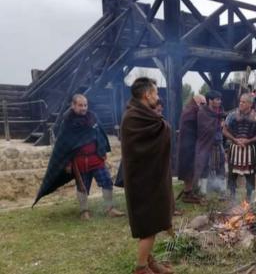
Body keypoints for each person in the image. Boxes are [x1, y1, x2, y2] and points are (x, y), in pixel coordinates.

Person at [33, 94, 124, 220]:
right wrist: (67, 163)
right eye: (80, 105)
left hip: (95, 159)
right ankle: (84, 212)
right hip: (79, 161)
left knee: (107, 182)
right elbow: (64, 145)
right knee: (82, 187)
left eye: (85, 105)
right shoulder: (67, 122)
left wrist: (102, 152)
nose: (83, 108)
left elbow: (100, 135)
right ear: (73, 105)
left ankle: (110, 208)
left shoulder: (92, 117)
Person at [121, 77, 175, 274]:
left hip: (150, 178)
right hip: (141, 181)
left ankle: (149, 261)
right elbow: (161, 131)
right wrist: (164, 127)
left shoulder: (142, 114)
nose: (158, 97)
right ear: (147, 95)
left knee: (153, 222)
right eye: (156, 93)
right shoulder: (134, 118)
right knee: (148, 227)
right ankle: (141, 267)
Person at [223, 93, 256, 201]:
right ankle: (232, 198)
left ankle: (248, 198)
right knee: (232, 174)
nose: (240, 103)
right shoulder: (231, 115)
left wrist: (249, 141)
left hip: (249, 150)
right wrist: (234, 140)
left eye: (243, 102)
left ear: (250, 104)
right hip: (234, 148)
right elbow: (224, 130)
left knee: (250, 174)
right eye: (240, 101)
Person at [193, 90, 225, 196]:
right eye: (217, 99)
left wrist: (222, 123)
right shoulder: (202, 112)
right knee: (206, 164)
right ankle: (203, 190)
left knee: (221, 164)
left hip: (218, 141)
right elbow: (204, 128)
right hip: (206, 143)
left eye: (220, 99)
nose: (219, 101)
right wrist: (218, 124)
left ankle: (221, 187)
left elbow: (222, 121)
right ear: (210, 101)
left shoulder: (220, 111)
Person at [177, 94, 206, 204]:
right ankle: (187, 193)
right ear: (196, 101)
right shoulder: (190, 111)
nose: (203, 106)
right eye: (202, 103)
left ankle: (189, 191)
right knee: (188, 169)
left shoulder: (193, 110)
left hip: (191, 144)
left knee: (192, 169)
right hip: (187, 145)